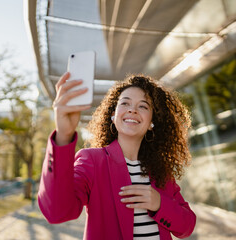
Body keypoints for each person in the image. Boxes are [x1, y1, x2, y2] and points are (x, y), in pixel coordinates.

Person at [38, 72, 196, 240]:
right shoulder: (92, 161)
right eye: (125, 103)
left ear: (152, 122)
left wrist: (159, 203)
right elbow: (56, 212)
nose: (132, 109)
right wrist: (64, 135)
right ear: (113, 115)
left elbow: (187, 227)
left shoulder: (160, 170)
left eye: (143, 106)